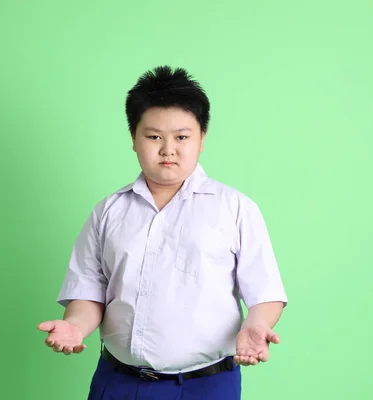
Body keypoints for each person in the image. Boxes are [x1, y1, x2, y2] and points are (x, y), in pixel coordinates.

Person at [37, 65, 288, 399]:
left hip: (207, 386)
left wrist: (256, 325)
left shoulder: (236, 209)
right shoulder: (108, 212)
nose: (168, 149)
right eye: (154, 136)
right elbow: (89, 294)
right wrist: (76, 326)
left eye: (182, 137)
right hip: (119, 382)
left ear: (202, 138)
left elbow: (265, 292)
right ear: (134, 139)